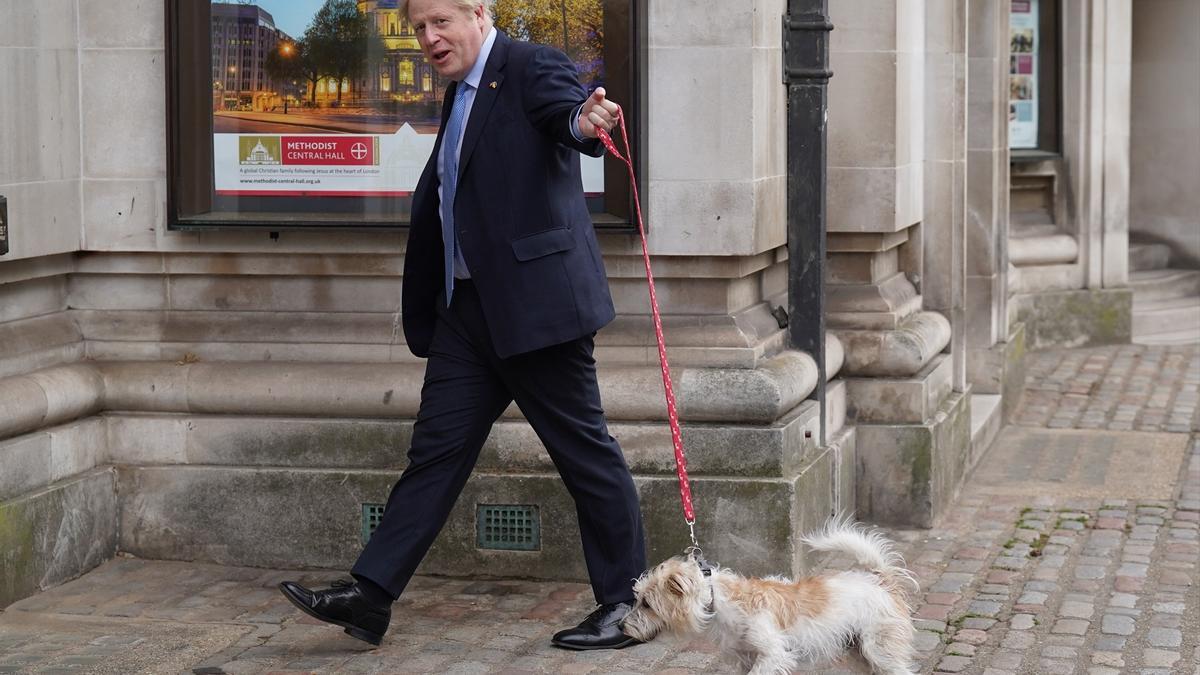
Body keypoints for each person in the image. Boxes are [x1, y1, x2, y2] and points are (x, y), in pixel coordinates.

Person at [278, 0, 647, 652]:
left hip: (538, 312)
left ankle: (627, 604)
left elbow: (567, 116)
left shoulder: (530, 66)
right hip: (467, 315)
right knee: (434, 455)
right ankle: (372, 594)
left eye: (440, 21)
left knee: (585, 455)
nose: (428, 38)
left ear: (479, 11)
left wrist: (587, 121)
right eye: (420, 27)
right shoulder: (461, 93)